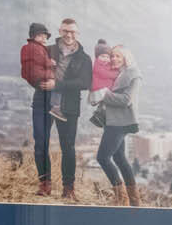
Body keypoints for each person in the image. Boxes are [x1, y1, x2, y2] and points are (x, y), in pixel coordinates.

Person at [50, 17, 93, 201]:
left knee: (68, 148)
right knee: (41, 145)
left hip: (69, 107)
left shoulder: (84, 58)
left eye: (72, 31)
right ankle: (43, 186)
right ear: (60, 31)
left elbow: (84, 83)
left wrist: (57, 85)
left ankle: (68, 189)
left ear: (77, 33)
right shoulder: (48, 50)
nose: (69, 35)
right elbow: (34, 70)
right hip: (45, 103)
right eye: (65, 31)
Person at [92, 46, 141, 206]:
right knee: (119, 158)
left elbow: (126, 100)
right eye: (112, 56)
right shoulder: (119, 75)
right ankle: (134, 201)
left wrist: (104, 94)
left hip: (119, 122)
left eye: (118, 56)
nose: (114, 59)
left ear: (126, 57)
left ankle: (122, 198)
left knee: (103, 157)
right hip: (113, 121)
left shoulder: (133, 75)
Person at [18, 22, 59, 195]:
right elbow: (32, 74)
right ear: (33, 35)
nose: (44, 38)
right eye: (41, 35)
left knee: (42, 143)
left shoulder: (42, 50)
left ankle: (46, 183)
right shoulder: (31, 48)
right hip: (44, 99)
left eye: (45, 36)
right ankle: (45, 183)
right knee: (41, 143)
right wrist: (52, 69)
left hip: (51, 99)